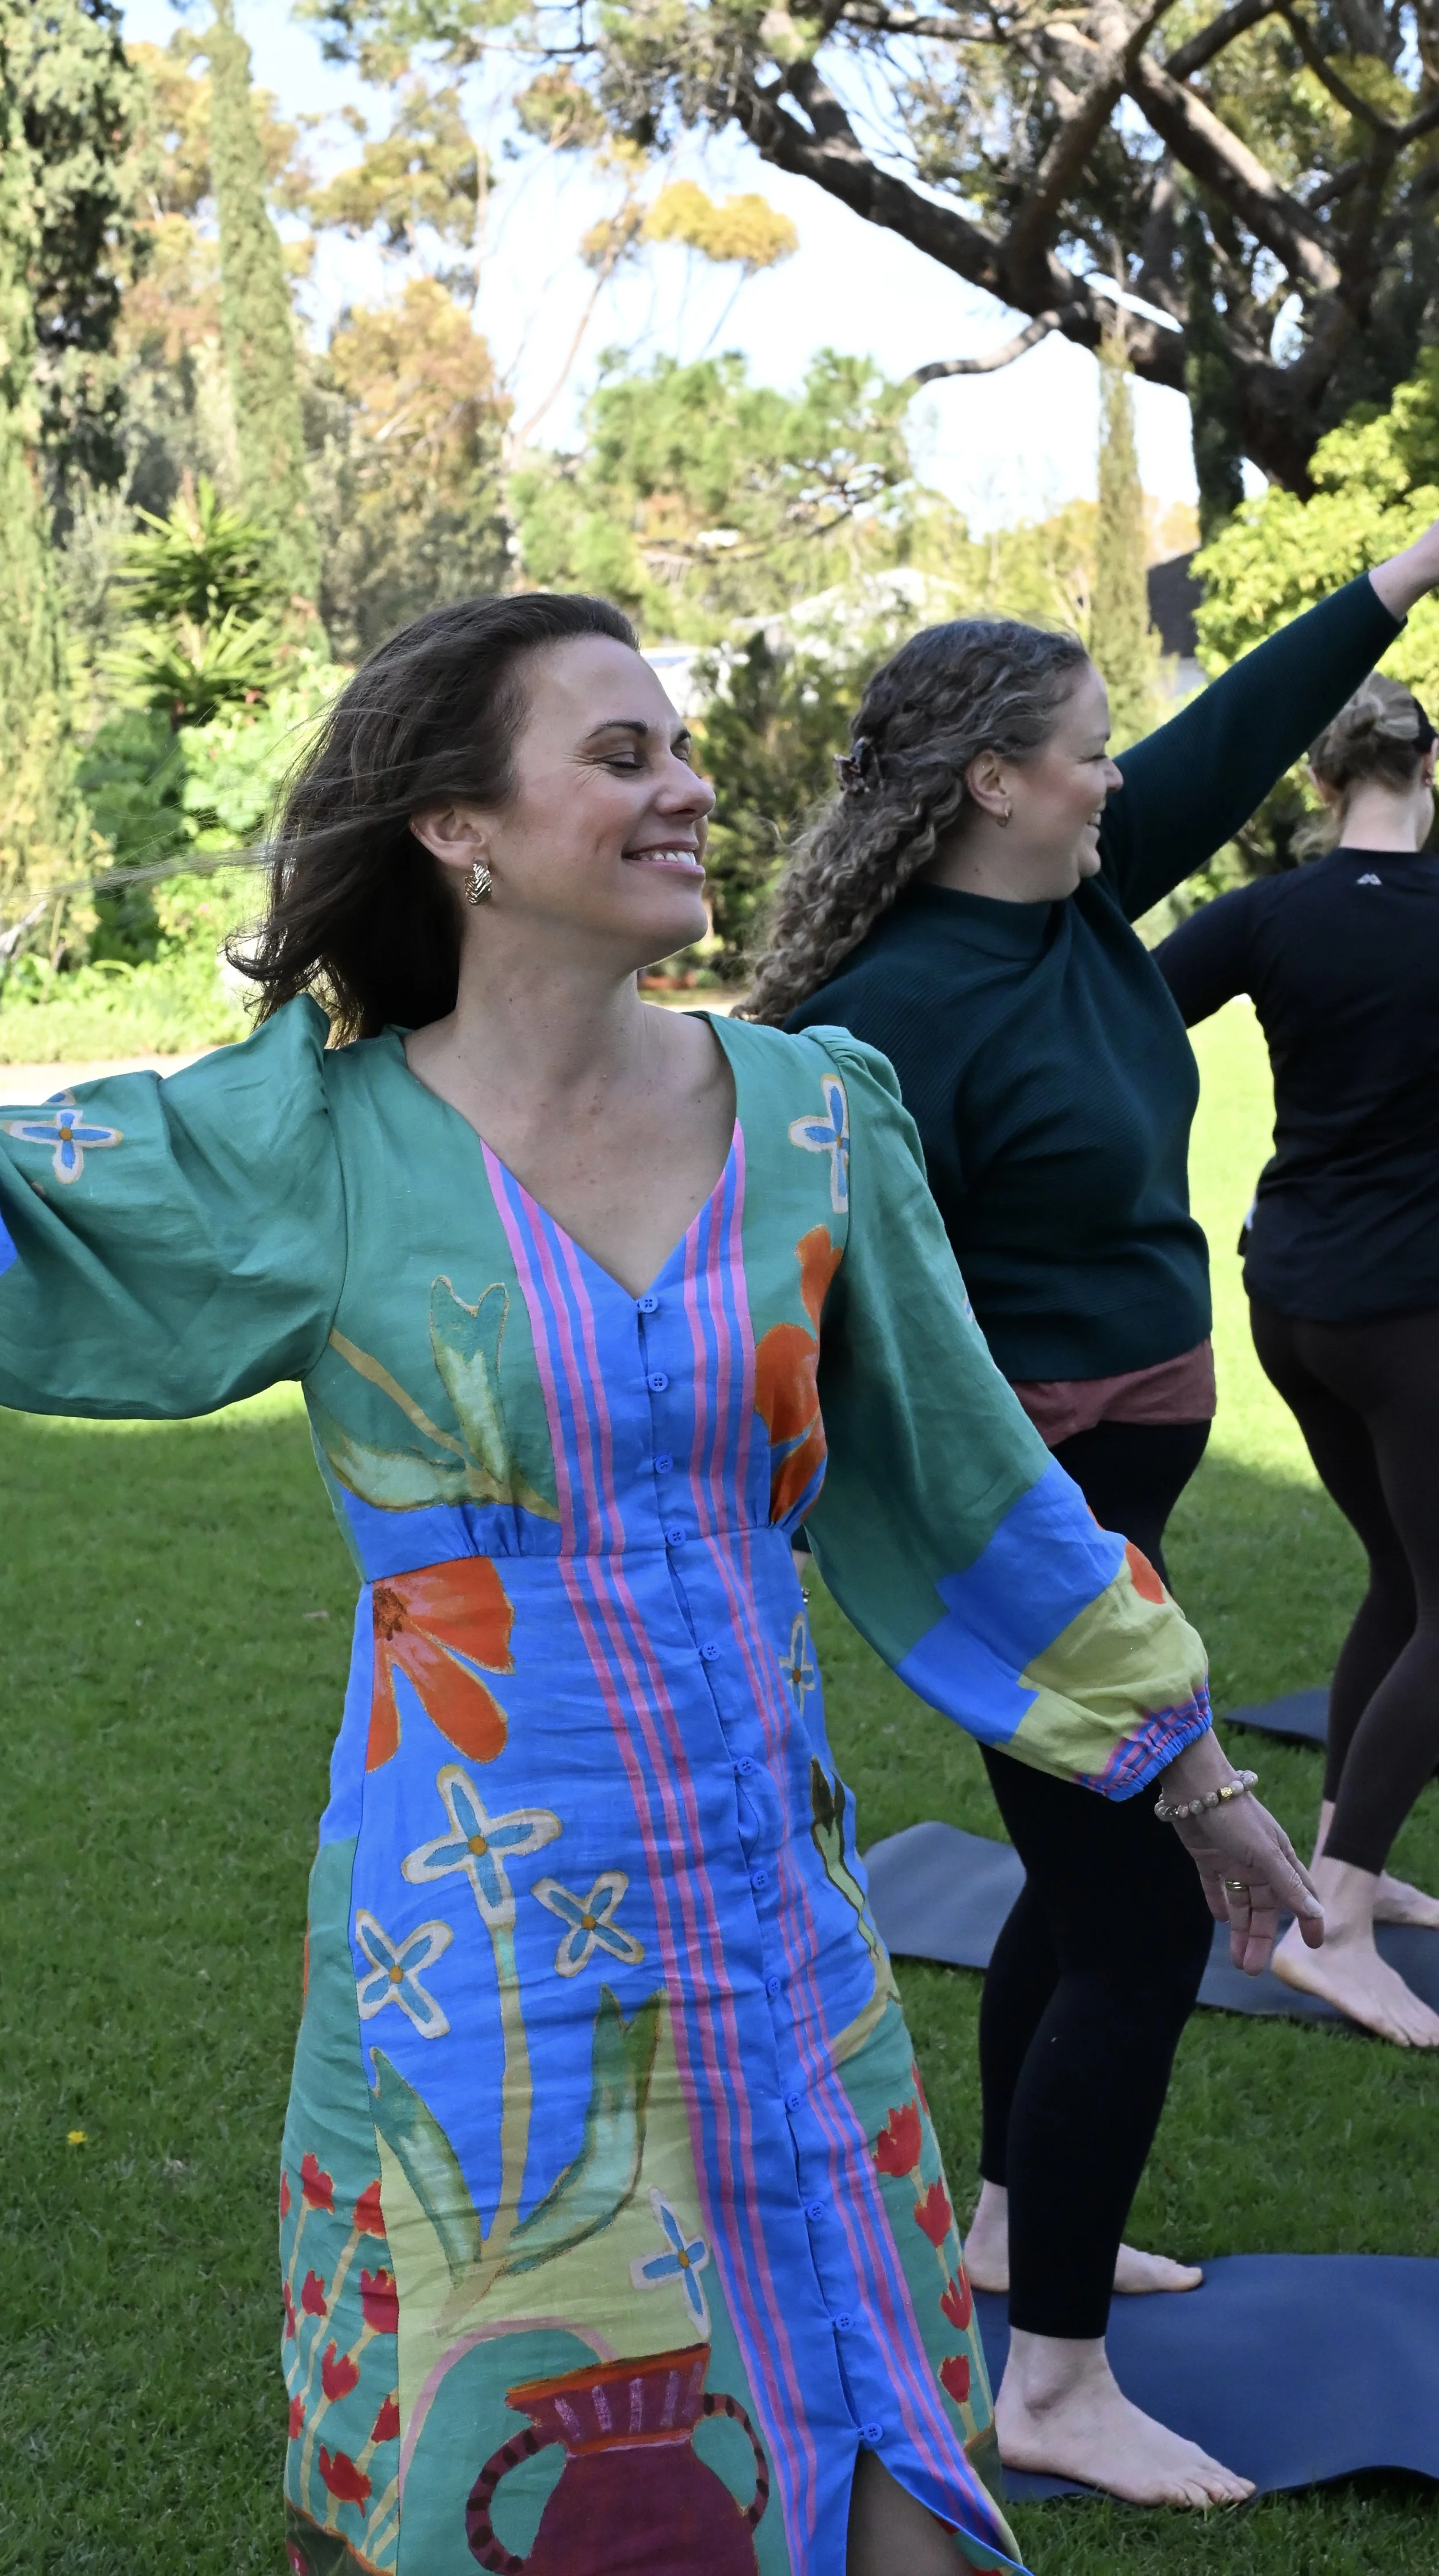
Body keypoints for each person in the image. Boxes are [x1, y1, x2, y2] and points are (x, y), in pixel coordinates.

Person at [0, 592, 1319, 2576]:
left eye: (681, 748)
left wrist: (1189, 1766)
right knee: (546, 2495)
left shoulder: (813, 1113)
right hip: (481, 1986)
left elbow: (978, 1485)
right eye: (621, 754)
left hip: (779, 1933)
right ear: (459, 825)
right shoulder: (315, 1148)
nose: (689, 784)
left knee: (893, 2483)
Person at [753, 521, 1439, 2505]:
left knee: (1077, 1883)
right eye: (1085, 744)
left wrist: (1399, 575)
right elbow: (852, 1323)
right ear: (992, 782)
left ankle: (1001, 2231)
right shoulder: (887, 1019)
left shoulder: (1078, 904)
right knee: (1145, 1916)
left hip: (1116, 1486)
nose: (1121, 769)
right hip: (1019, 1518)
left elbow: (1243, 731)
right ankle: (1049, 2378)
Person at [1156, 672, 1439, 2049]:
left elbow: (1125, 1017)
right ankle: (1334, 1915)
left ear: (1320, 781)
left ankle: (1355, 1853)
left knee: (1402, 1573)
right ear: (1424, 771)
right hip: (1408, 1315)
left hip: (1290, 1296)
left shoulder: (1269, 913)